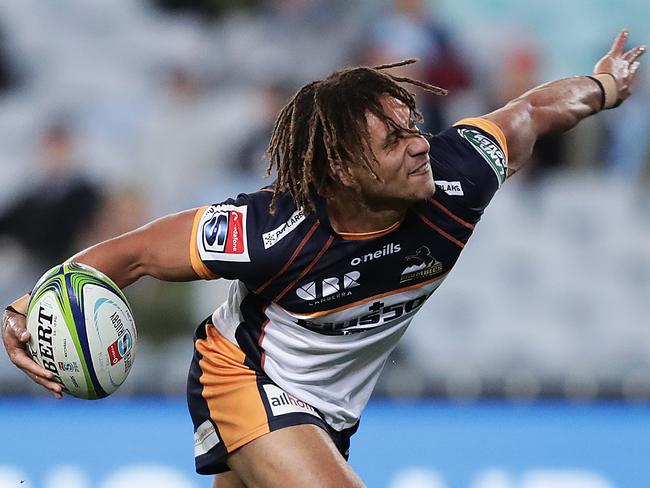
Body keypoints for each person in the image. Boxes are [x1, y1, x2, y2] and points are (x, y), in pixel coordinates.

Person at [2, 30, 645, 488]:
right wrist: (33, 306)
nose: (419, 144)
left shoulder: (460, 172)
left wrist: (602, 86)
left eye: (414, 124)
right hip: (246, 380)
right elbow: (135, 253)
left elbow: (530, 112)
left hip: (332, 415)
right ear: (342, 167)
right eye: (393, 140)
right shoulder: (270, 229)